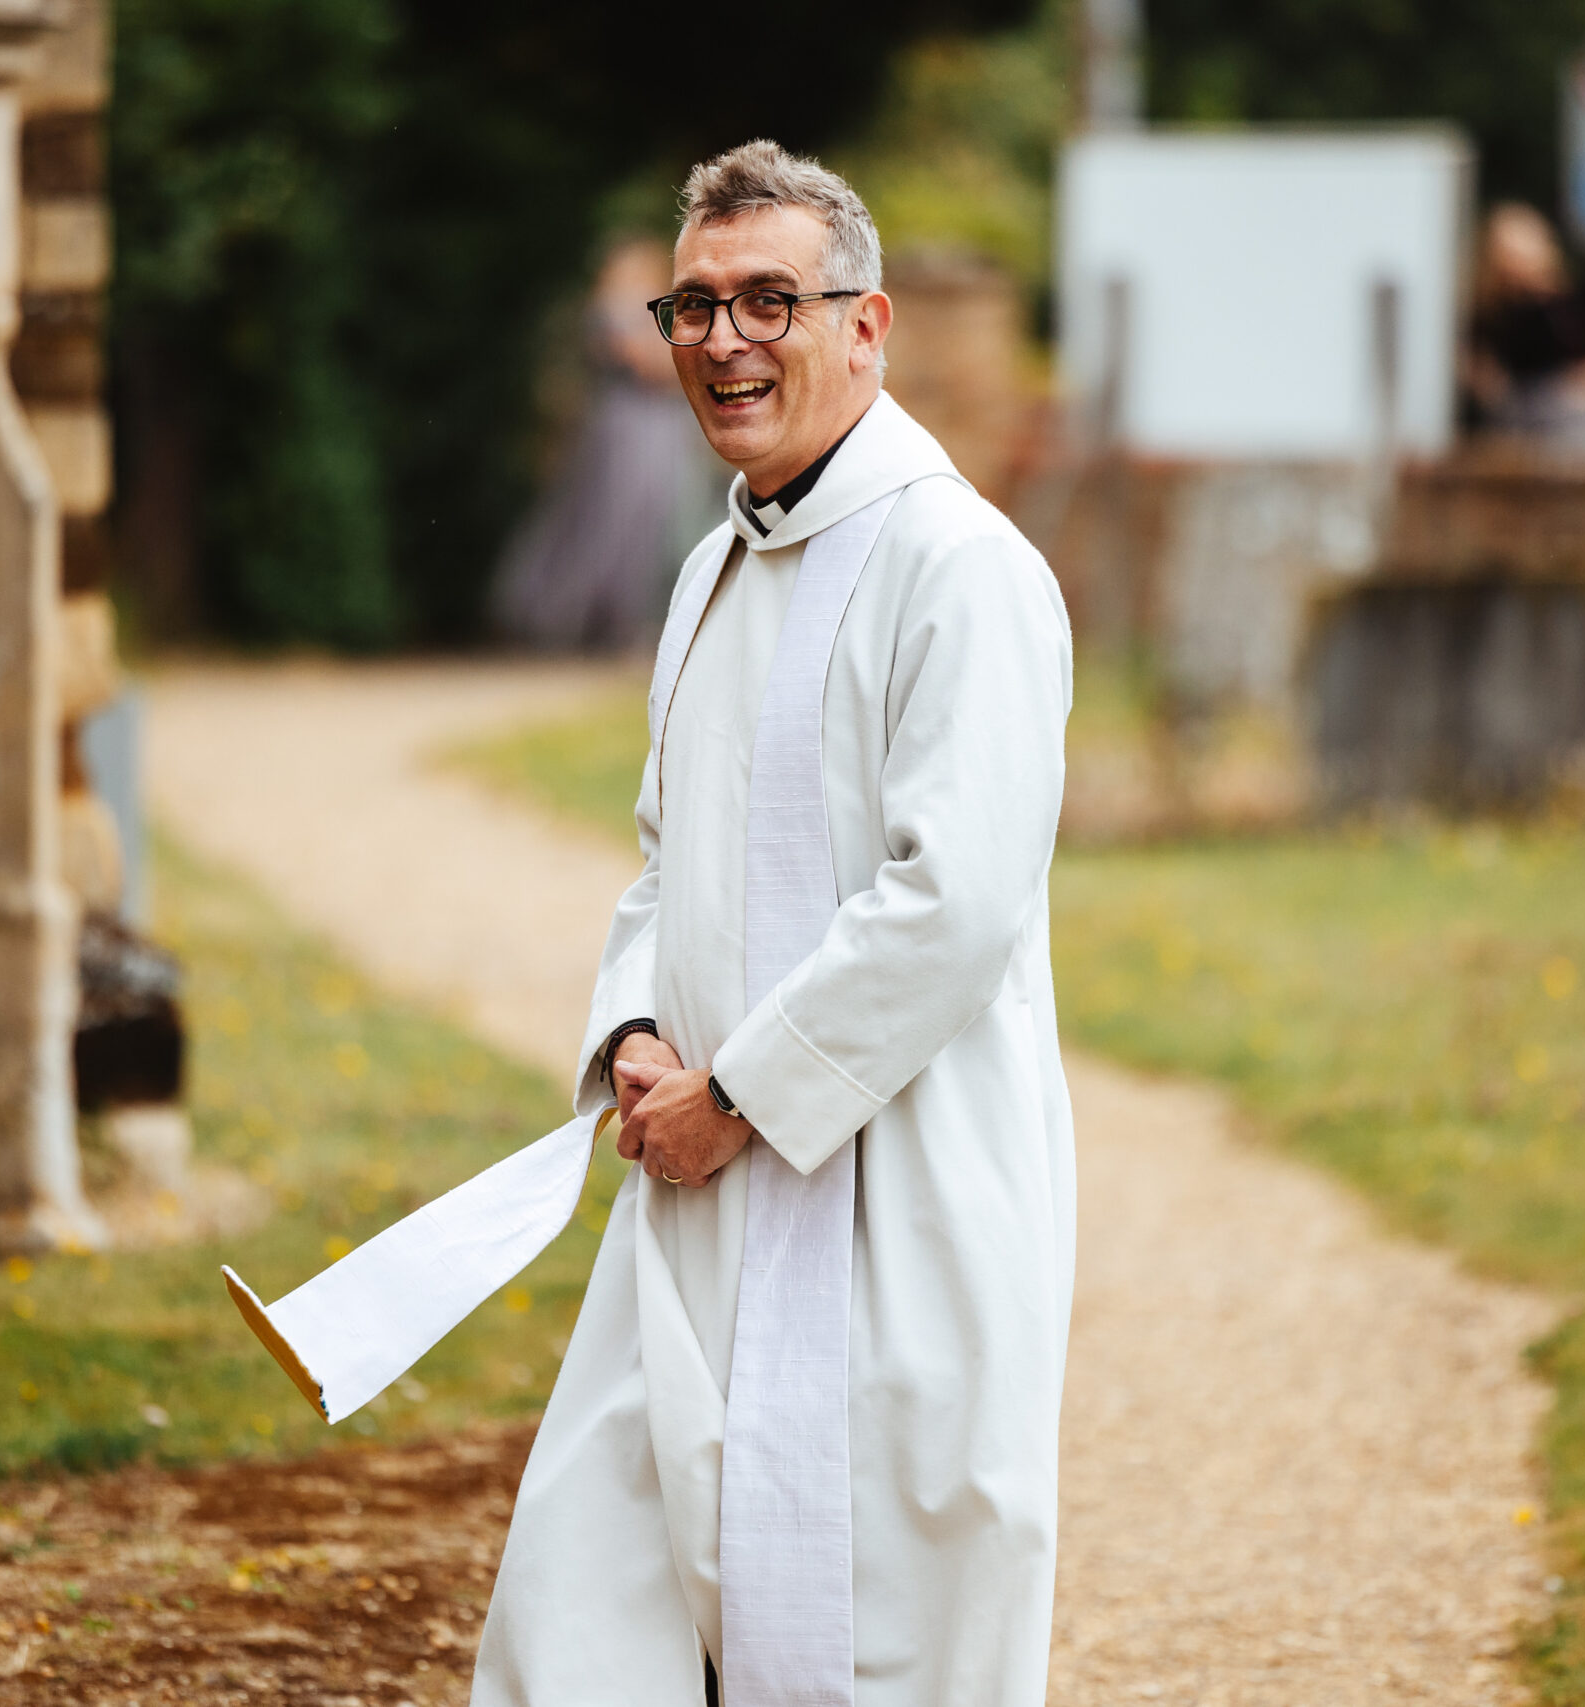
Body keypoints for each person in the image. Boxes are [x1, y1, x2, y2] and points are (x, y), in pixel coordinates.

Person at [470, 141, 1076, 1707]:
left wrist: (743, 1094)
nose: (725, 340)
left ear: (866, 326)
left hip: (894, 1195)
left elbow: (958, 897)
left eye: (769, 301)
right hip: (697, 1204)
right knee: (581, 1612)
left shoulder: (965, 570)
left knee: (883, 1622)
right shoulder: (706, 575)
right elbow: (667, 861)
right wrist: (635, 1035)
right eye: (694, 305)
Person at [488, 236, 728, 652]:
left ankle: (638, 618)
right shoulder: (610, 310)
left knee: (660, 524)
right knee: (609, 523)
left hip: (664, 429)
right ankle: (582, 620)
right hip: (626, 432)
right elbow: (649, 362)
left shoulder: (664, 305)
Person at [1461, 202, 1585, 460]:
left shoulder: (1579, 298)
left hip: (1582, 420)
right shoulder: (1494, 311)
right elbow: (1479, 368)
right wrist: (1501, 400)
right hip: (1523, 425)